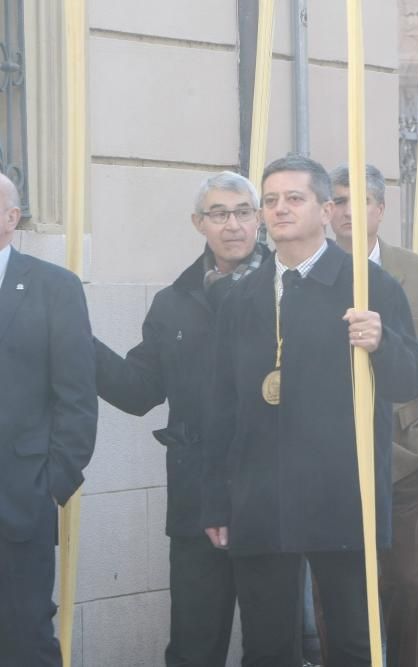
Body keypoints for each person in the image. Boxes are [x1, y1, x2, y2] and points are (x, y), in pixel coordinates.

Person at [200, 154, 418, 666]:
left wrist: (381, 341)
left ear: (326, 210)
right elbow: (221, 408)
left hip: (341, 489)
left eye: (295, 198)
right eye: (272, 200)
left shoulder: (368, 286)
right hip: (261, 492)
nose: (281, 209)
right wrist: (217, 499)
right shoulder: (241, 298)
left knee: (352, 638)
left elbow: (412, 379)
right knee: (266, 642)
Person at [94, 171, 267, 666]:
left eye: (242, 212)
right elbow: (139, 390)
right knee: (193, 644)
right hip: (195, 499)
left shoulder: (288, 290)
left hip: (269, 493)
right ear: (199, 223)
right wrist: (76, 343)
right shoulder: (174, 303)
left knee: (274, 644)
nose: (232, 224)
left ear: (258, 219)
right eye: (219, 214)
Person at [328, 163, 418, 667]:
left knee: (411, 577)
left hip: (406, 448)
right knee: (339, 581)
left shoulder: (415, 270)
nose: (347, 210)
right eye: (338, 200)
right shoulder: (307, 271)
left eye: (358, 199)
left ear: (380, 209)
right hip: (331, 451)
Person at [0, 173, 98, 665]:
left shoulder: (53, 288)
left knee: (23, 640)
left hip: (18, 505)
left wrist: (50, 486)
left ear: (10, 218)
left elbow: (77, 399)